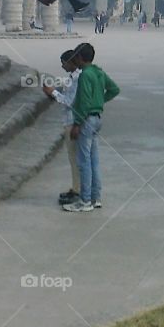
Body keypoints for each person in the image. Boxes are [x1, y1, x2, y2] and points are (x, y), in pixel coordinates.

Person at [62, 42, 120, 213]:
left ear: (80, 58)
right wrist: (99, 101)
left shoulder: (85, 75)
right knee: (94, 161)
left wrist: (77, 124)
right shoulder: (98, 72)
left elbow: (84, 102)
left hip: (85, 121)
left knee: (83, 162)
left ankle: (85, 200)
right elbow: (114, 89)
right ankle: (96, 198)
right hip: (96, 118)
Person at [43, 50, 81, 206]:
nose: (62, 66)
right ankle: (76, 187)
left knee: (75, 158)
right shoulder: (73, 77)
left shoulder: (77, 78)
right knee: (75, 159)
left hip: (72, 121)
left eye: (63, 63)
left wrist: (53, 93)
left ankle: (78, 190)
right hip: (70, 120)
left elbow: (69, 101)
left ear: (71, 62)